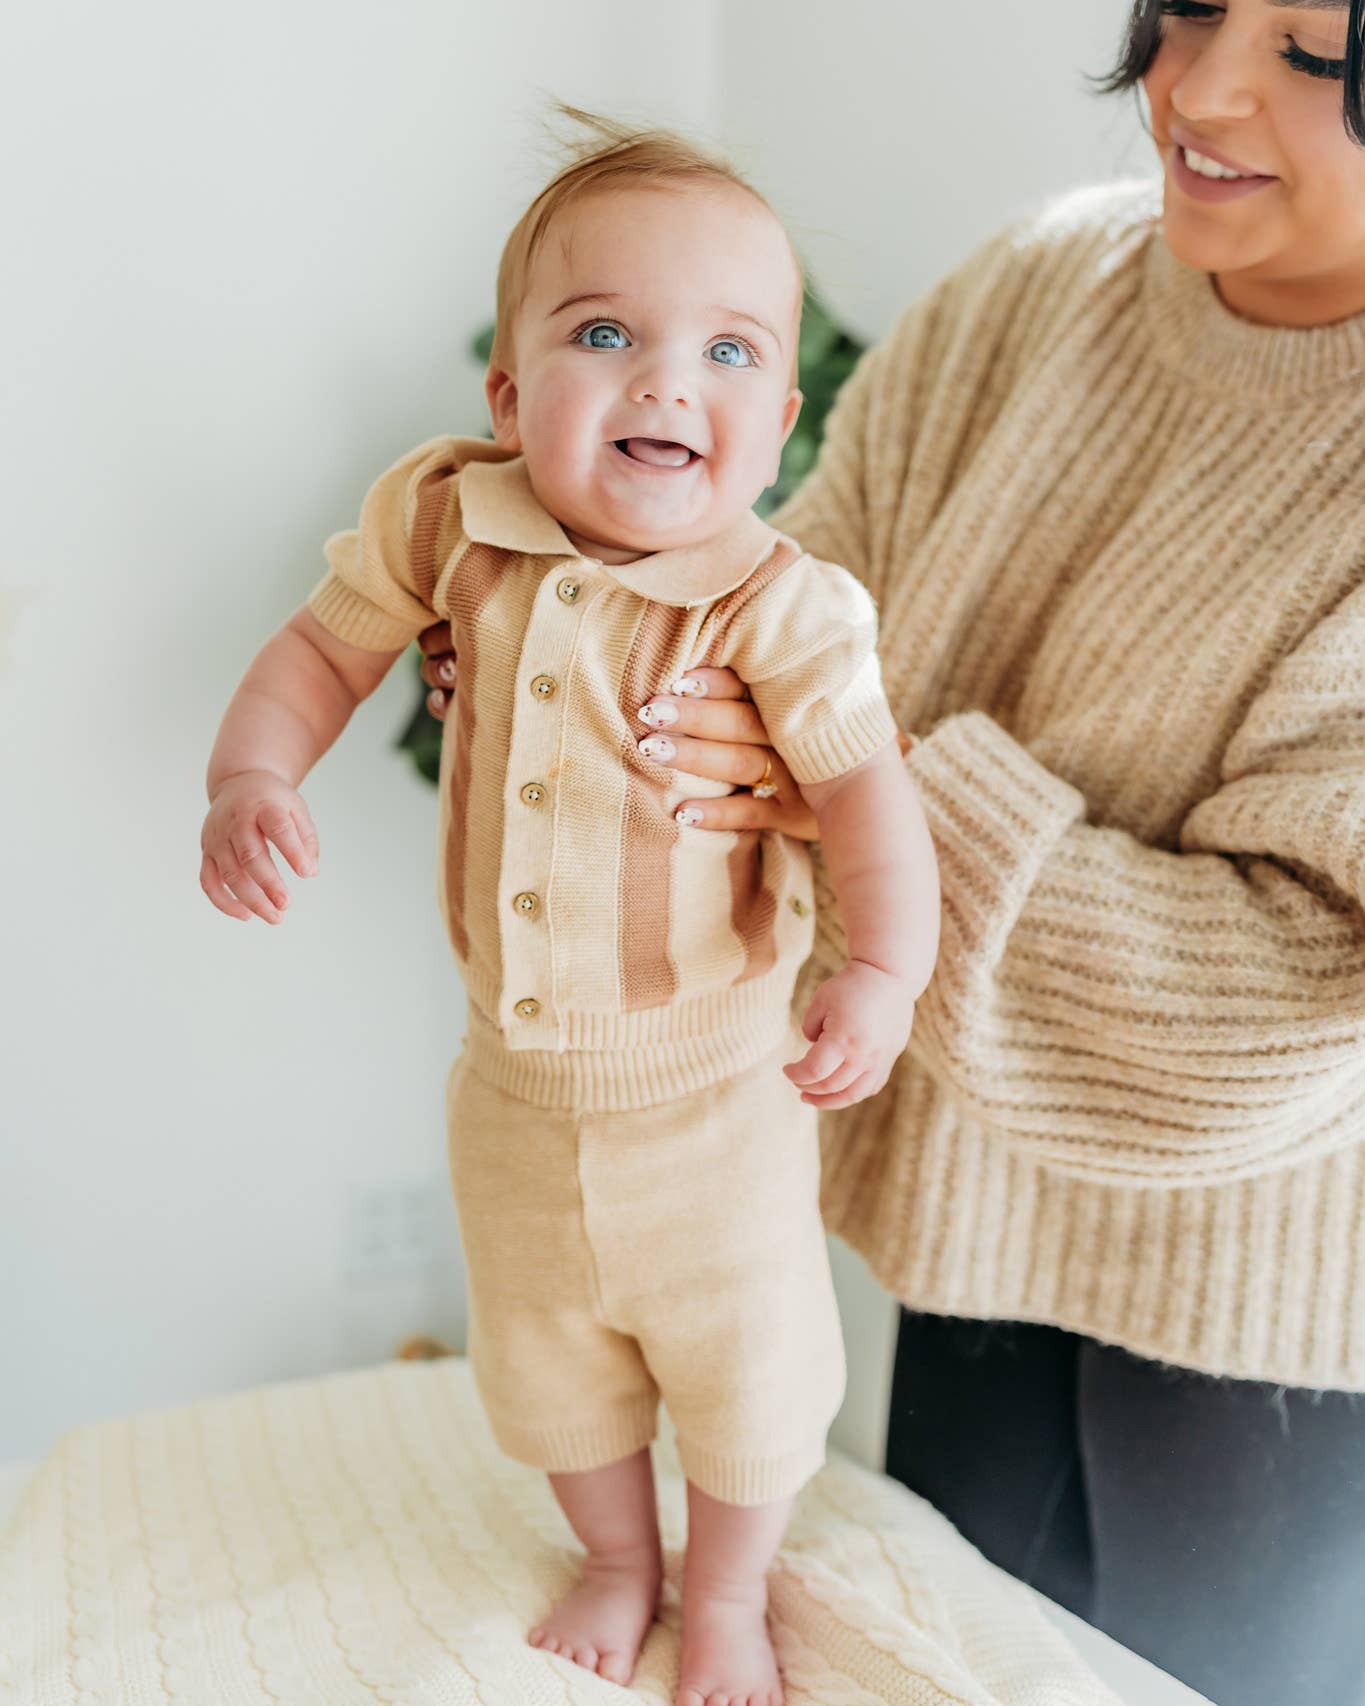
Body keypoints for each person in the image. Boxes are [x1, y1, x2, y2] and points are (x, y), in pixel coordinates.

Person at [419, 8, 1365, 1705]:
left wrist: (886, 793)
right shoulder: (1028, 290)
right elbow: (741, 625)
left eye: (1314, 52)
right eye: (1197, 9)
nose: (1205, 89)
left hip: (1267, 1301)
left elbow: (1304, 995)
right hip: (959, 1213)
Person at [198, 109, 940, 1706]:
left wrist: (880, 962)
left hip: (715, 1106)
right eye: (604, 333)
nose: (668, 379)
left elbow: (869, 791)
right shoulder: (448, 520)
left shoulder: (783, 607)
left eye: (728, 349)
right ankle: (618, 1557)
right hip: (516, 1097)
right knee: (547, 1375)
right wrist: (251, 778)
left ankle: (728, 1590)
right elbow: (322, 653)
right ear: (508, 388)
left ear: (785, 416)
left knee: (747, 1378)